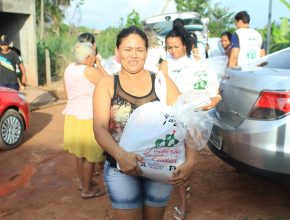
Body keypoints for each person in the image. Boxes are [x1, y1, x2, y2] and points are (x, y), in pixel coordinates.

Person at [93, 25, 195, 220]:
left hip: (159, 167)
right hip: (119, 168)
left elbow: (186, 120)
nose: (134, 55)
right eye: (128, 49)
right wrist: (120, 155)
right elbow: (99, 128)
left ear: (147, 52)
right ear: (117, 52)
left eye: (139, 50)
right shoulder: (107, 84)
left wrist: (191, 160)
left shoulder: (161, 82)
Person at [159, 25, 221, 220]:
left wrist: (212, 100)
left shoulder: (198, 64)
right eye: (169, 47)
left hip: (193, 117)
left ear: (185, 45)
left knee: (189, 158)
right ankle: (182, 203)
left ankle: (185, 184)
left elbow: (210, 89)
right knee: (177, 159)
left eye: (176, 46)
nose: (172, 51)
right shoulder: (165, 65)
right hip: (172, 118)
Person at [63, 42, 106, 199]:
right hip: (88, 116)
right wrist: (100, 66)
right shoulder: (90, 71)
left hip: (73, 114)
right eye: (94, 55)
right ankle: (87, 191)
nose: (96, 57)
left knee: (80, 154)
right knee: (90, 155)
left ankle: (83, 183)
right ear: (89, 57)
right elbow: (109, 82)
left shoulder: (69, 68)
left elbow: (66, 92)